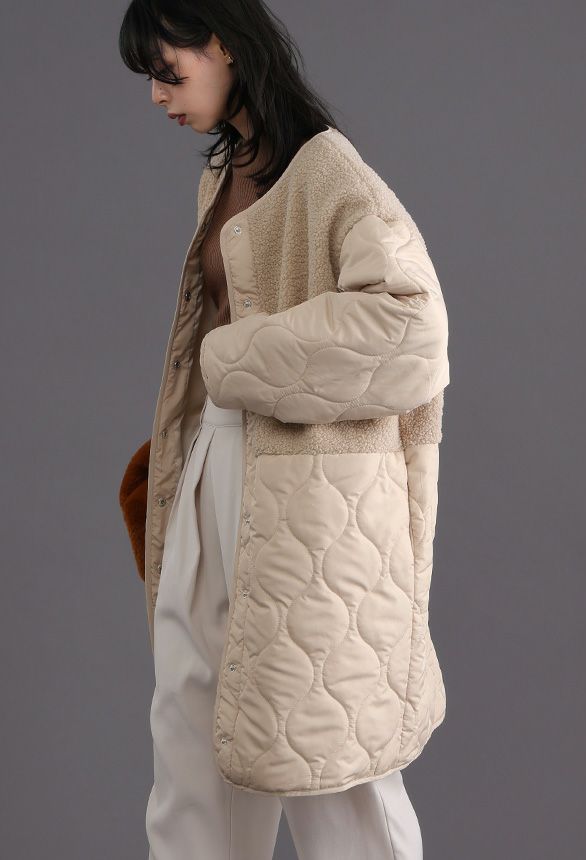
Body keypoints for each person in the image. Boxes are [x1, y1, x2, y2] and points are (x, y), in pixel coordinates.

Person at [118, 2, 450, 858]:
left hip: (308, 495)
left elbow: (412, 331)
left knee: (331, 756)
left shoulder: (326, 171)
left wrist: (238, 357)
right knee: (188, 745)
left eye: (166, 70)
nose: (157, 96)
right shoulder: (224, 173)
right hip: (215, 468)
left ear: (222, 43)